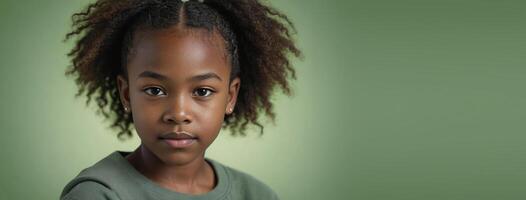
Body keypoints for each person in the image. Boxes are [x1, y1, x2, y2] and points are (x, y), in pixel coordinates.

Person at [60, 0, 301, 199]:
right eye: (155, 90)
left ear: (230, 96)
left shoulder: (256, 195)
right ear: (126, 94)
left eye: (202, 91)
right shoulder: (98, 194)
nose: (178, 113)